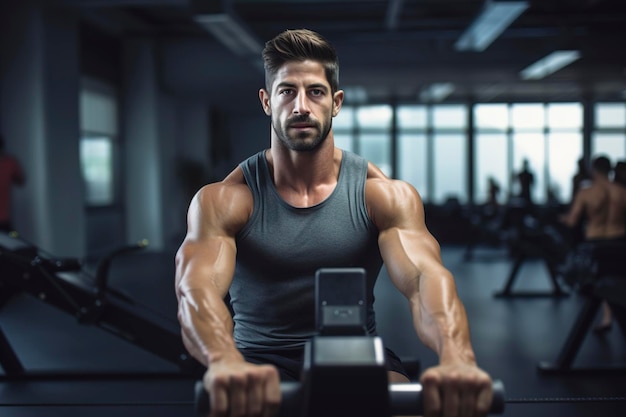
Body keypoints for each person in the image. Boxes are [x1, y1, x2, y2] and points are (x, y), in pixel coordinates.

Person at [175, 29, 493, 417]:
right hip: (255, 361)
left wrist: (457, 356)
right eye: (287, 91)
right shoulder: (224, 200)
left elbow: (425, 280)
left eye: (316, 92)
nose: (301, 106)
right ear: (266, 101)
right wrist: (224, 360)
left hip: (357, 353)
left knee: (408, 408)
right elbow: (197, 290)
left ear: (336, 102)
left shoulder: (382, 195)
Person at [561, 155, 626, 333]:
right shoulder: (621, 191)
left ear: (594, 170)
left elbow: (573, 221)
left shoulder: (587, 192)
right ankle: (607, 318)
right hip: (619, 241)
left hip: (595, 243)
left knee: (602, 281)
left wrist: (564, 219)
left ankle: (607, 319)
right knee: (616, 280)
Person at [0, 133, 26, 232]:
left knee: (10, 239)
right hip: (4, 219)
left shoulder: (10, 163)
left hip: (4, 219)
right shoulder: (10, 163)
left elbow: (21, 180)